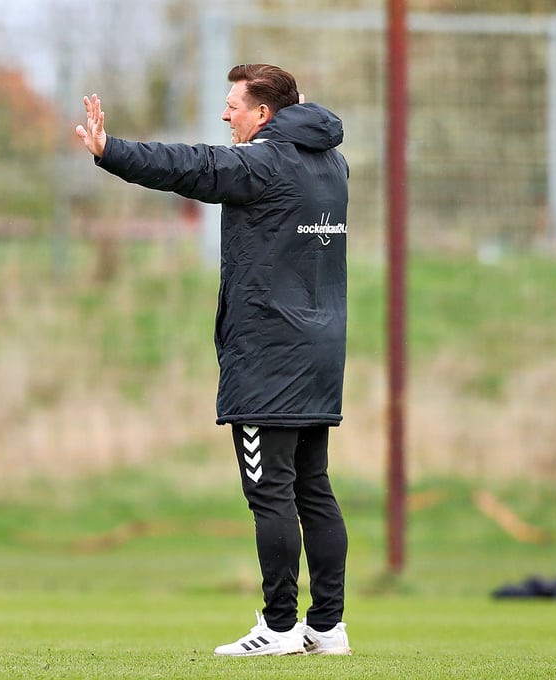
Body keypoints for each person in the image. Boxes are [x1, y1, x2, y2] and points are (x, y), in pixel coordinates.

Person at [75, 64, 351, 657]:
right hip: (320, 353)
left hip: (268, 357)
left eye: (234, 105)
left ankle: (278, 628)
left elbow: (192, 167)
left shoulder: (264, 162)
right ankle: (327, 627)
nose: (226, 115)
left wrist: (110, 150)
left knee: (270, 494)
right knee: (314, 490)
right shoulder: (332, 163)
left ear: (264, 114)